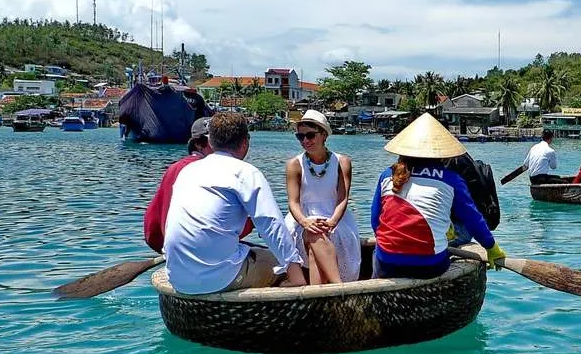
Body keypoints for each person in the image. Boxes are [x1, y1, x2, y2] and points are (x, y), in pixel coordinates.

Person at [164, 112, 307, 293]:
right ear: (245, 142)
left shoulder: (187, 171)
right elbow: (271, 224)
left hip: (178, 277)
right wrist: (296, 275)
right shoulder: (245, 172)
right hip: (220, 279)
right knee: (283, 265)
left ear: (211, 142)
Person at [371, 113, 506, 279]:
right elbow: (473, 219)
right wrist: (492, 247)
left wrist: (395, 245)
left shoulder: (387, 175)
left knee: (377, 253)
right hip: (430, 266)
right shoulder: (452, 179)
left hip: (387, 263)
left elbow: (375, 220)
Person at [143, 116, 251, 253]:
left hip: (175, 253)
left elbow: (152, 227)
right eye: (215, 142)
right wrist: (252, 223)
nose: (222, 146)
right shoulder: (218, 170)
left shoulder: (174, 168)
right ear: (199, 144)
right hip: (207, 255)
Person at [285, 109, 361, 284]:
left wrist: (332, 222)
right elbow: (293, 202)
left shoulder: (343, 162)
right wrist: (305, 222)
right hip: (302, 219)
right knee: (314, 234)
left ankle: (318, 295)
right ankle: (338, 288)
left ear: (324, 135)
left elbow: (343, 198)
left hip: (335, 218)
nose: (305, 141)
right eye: (300, 137)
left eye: (310, 135)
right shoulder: (294, 165)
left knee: (315, 245)